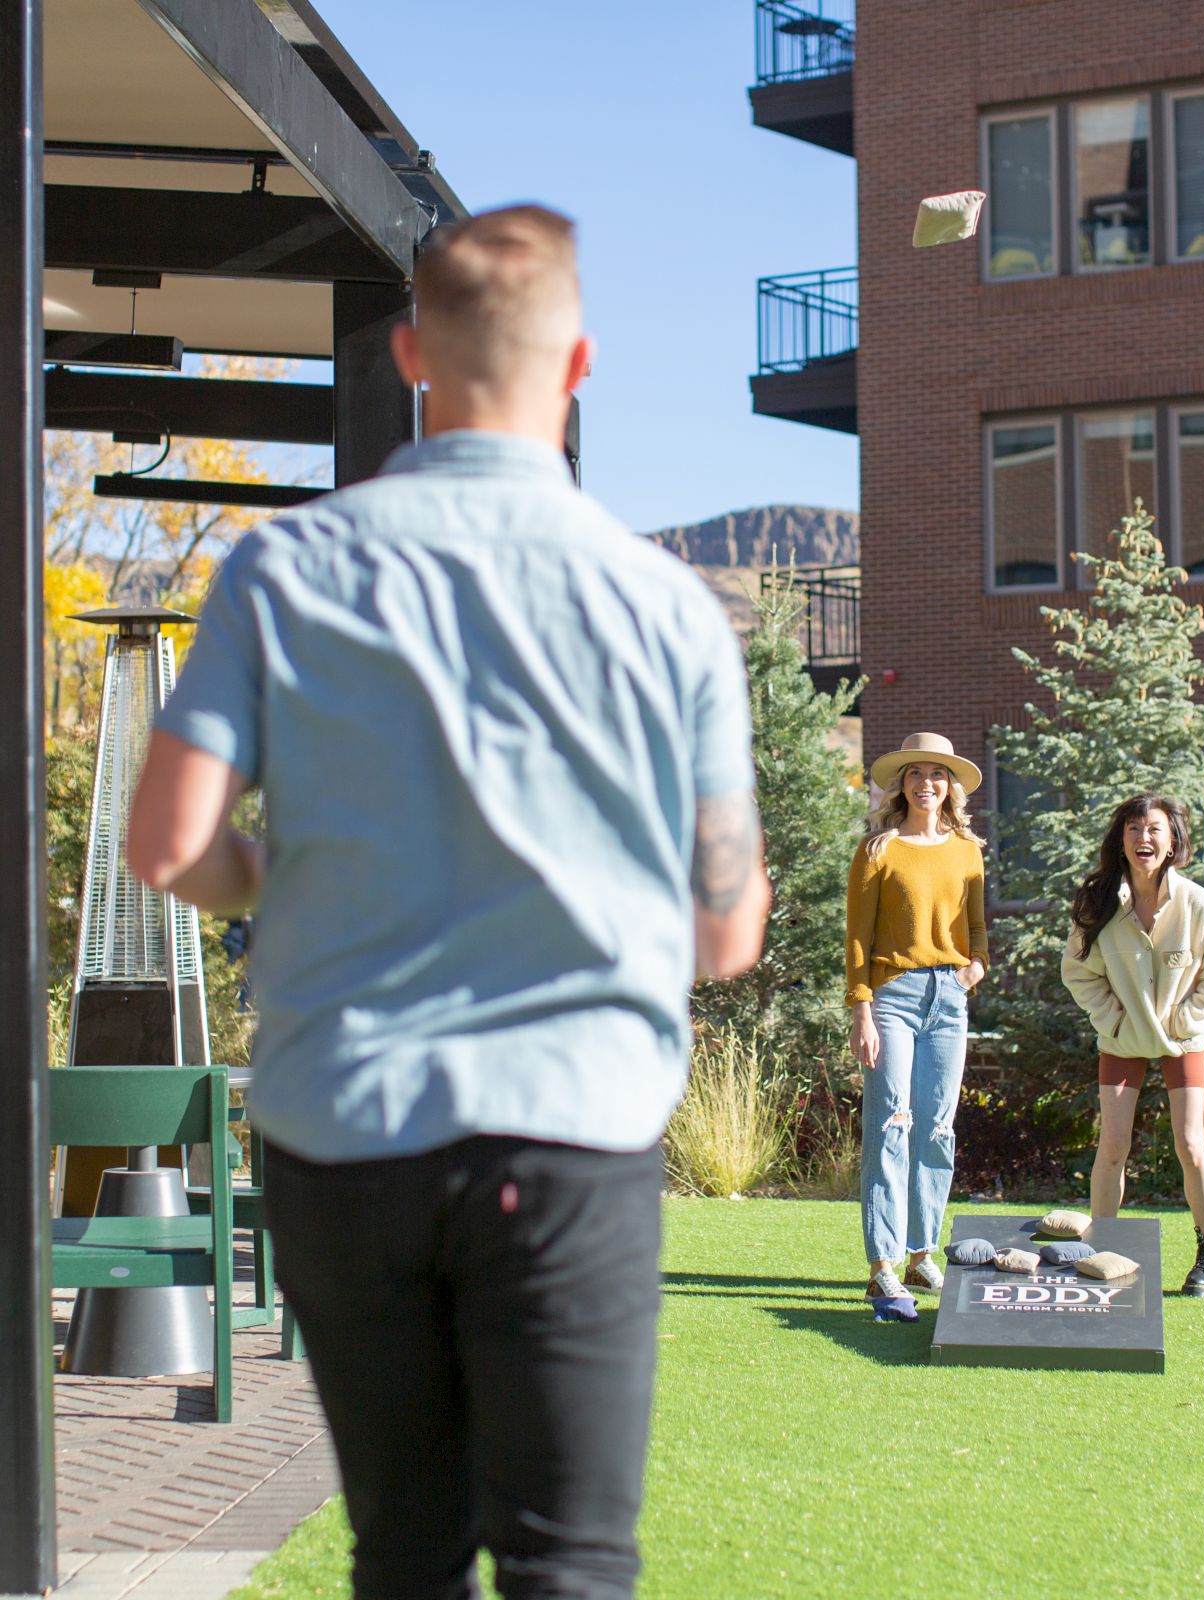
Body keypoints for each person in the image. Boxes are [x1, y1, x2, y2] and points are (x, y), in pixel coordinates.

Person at [126, 205, 770, 1600]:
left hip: (343, 1123)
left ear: (415, 351)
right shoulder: (667, 610)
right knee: (570, 1562)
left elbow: (172, 846)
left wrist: (275, 876)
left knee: (404, 1556)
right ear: (581, 363)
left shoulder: (285, 571)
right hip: (571, 1126)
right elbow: (729, 936)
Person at [1061, 795, 1204, 1297]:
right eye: (1135, 828)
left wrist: (1184, 1022)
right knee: (1112, 1145)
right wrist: (1113, 1020)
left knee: (1189, 1143)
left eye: (1155, 829)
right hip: (1121, 1040)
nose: (1144, 838)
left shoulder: (1197, 904)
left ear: (1173, 840)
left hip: (1183, 1043)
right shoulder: (1098, 904)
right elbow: (1078, 971)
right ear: (1121, 839)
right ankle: (1102, 1249)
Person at [845, 732, 988, 1302]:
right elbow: (857, 939)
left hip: (949, 1000)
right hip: (892, 998)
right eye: (914, 774)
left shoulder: (967, 849)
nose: (925, 783)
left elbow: (975, 926)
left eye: (936, 774)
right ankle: (883, 1264)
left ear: (949, 785)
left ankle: (921, 1255)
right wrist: (862, 1009)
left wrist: (975, 966)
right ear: (900, 785)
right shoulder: (878, 850)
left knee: (936, 1128)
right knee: (891, 1124)